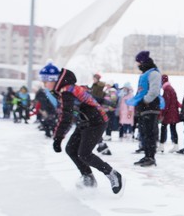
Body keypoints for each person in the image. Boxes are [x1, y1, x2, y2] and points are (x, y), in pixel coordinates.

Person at [38, 62, 123, 194]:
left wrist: (58, 137)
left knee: (84, 154)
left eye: (45, 81)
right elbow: (74, 108)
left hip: (96, 121)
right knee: (71, 149)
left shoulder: (66, 90)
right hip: (85, 121)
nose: (44, 85)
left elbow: (66, 116)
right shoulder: (64, 88)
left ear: (53, 80)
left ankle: (112, 173)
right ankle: (88, 177)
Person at [126, 51, 163, 167]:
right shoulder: (146, 73)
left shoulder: (154, 73)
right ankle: (147, 155)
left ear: (143, 62)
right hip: (144, 107)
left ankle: (151, 157)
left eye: (138, 62)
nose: (137, 65)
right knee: (144, 133)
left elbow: (154, 90)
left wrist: (145, 101)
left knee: (150, 133)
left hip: (150, 107)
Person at [159, 74, 181, 153]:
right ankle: (176, 145)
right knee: (173, 129)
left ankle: (161, 146)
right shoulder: (171, 88)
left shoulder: (167, 89)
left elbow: (166, 103)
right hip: (173, 113)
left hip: (169, 114)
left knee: (163, 128)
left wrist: (162, 113)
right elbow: (175, 101)